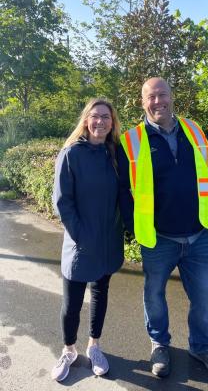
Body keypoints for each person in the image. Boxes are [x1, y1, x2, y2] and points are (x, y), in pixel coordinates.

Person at [118, 77, 208, 378]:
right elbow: (122, 191)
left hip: (199, 235)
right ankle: (159, 345)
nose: (158, 102)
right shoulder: (130, 140)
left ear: (172, 97)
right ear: (142, 102)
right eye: (151, 97)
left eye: (162, 95)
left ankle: (201, 347)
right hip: (158, 239)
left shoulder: (194, 131)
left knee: (205, 296)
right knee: (154, 296)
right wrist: (134, 227)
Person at [51, 98, 124, 382]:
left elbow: (125, 193)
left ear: (112, 122)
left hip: (107, 242)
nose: (100, 122)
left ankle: (94, 345)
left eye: (106, 117)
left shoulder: (114, 154)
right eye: (95, 116)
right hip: (80, 242)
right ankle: (69, 349)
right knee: (72, 302)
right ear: (86, 120)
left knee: (100, 294)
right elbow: (62, 202)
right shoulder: (70, 154)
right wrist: (80, 236)